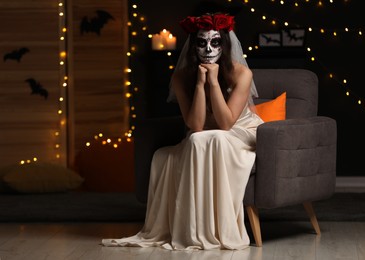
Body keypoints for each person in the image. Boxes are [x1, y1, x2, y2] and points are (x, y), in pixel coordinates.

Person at [102, 12, 263, 250]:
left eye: (215, 42)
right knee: (194, 141)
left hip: (240, 131)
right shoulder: (181, 76)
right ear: (193, 46)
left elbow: (226, 123)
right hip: (205, 131)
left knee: (214, 138)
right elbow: (195, 125)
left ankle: (217, 230)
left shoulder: (242, 73)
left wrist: (215, 82)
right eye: (201, 42)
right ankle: (194, 230)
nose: (208, 49)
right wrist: (200, 82)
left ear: (225, 45)